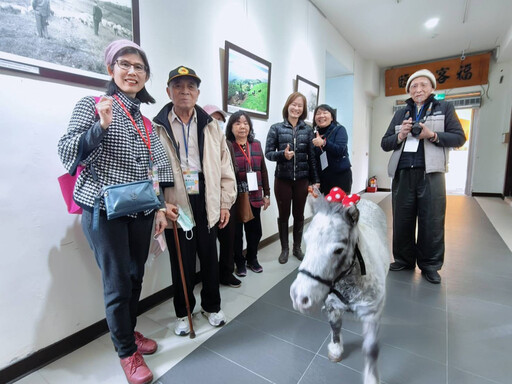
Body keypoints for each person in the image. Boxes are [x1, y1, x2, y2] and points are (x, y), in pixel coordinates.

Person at [58, 40, 176, 384]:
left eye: (139, 67)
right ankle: (126, 351)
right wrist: (101, 126)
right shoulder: (94, 105)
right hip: (102, 208)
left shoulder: (144, 120)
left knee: (135, 276)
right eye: (124, 64)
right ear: (111, 69)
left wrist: (158, 205)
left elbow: (152, 169)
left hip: (140, 210)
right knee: (117, 283)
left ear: (146, 76)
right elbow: (67, 152)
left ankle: (129, 330)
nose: (132, 71)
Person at [153, 66, 237, 336]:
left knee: (209, 256)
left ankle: (211, 307)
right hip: (175, 198)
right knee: (181, 262)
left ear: (198, 93)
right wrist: (159, 204)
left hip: (206, 196)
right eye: (178, 86)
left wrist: (225, 203)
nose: (184, 91)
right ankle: (183, 312)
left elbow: (226, 168)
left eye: (190, 86)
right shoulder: (156, 127)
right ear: (169, 91)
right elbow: (150, 169)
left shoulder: (212, 127)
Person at [381, 69, 466, 284]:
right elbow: (385, 143)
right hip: (403, 173)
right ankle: (403, 259)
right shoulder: (401, 113)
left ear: (432, 89)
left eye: (423, 85)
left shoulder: (444, 107)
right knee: (402, 219)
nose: (418, 89)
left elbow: (459, 138)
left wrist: (432, 135)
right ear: (409, 91)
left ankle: (430, 265)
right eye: (414, 86)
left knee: (432, 220)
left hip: (432, 174)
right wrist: (400, 135)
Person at [265, 92, 319, 264]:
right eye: (293, 104)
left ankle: (297, 247)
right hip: (282, 179)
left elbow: (312, 157)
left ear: (303, 110)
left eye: (300, 106)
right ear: (287, 106)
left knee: (299, 214)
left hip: (302, 179)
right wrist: (283, 154)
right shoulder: (276, 128)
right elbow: (268, 153)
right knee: (283, 214)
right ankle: (284, 249)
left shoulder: (308, 130)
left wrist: (315, 179)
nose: (296, 108)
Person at [225, 111, 271, 276]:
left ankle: (252, 258)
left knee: (255, 231)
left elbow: (263, 171)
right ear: (231, 127)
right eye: (237, 123)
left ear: (250, 126)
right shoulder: (227, 145)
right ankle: (240, 261)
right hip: (236, 197)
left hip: (255, 196)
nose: (242, 126)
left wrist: (267, 194)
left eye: (245, 123)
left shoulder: (256, 145)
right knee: (236, 234)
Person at [203, 104, 241, 288]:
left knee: (228, 238)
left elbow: (230, 171)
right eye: (213, 119)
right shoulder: (199, 140)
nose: (217, 123)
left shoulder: (226, 143)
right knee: (207, 243)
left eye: (220, 120)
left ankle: (226, 272)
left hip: (226, 198)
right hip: (206, 199)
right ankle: (209, 277)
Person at [311, 104, 352, 194]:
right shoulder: (313, 134)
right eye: (318, 113)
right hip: (322, 178)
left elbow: (340, 150)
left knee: (339, 207)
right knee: (322, 207)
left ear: (332, 117)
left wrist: (323, 143)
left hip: (340, 176)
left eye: (325, 113)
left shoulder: (340, 130)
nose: (321, 116)